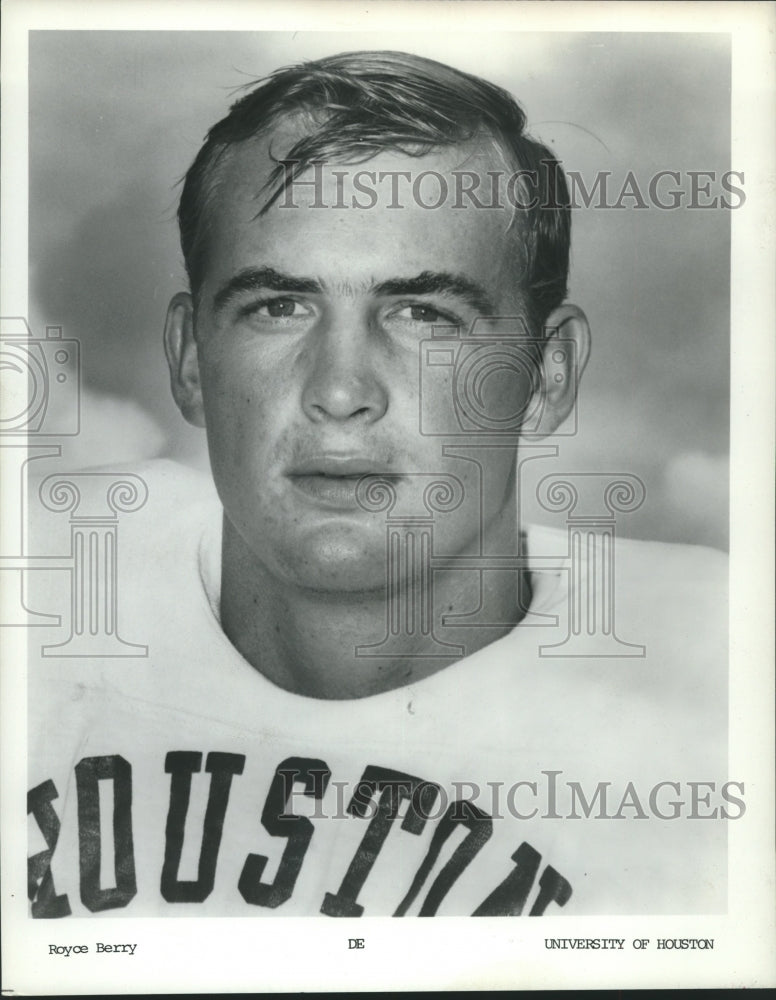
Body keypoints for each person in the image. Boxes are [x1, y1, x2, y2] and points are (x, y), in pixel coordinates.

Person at [27, 50, 729, 919]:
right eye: (277, 306)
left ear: (547, 377)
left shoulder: (725, 699)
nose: (341, 391)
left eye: (424, 312)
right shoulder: (39, 612)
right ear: (189, 360)